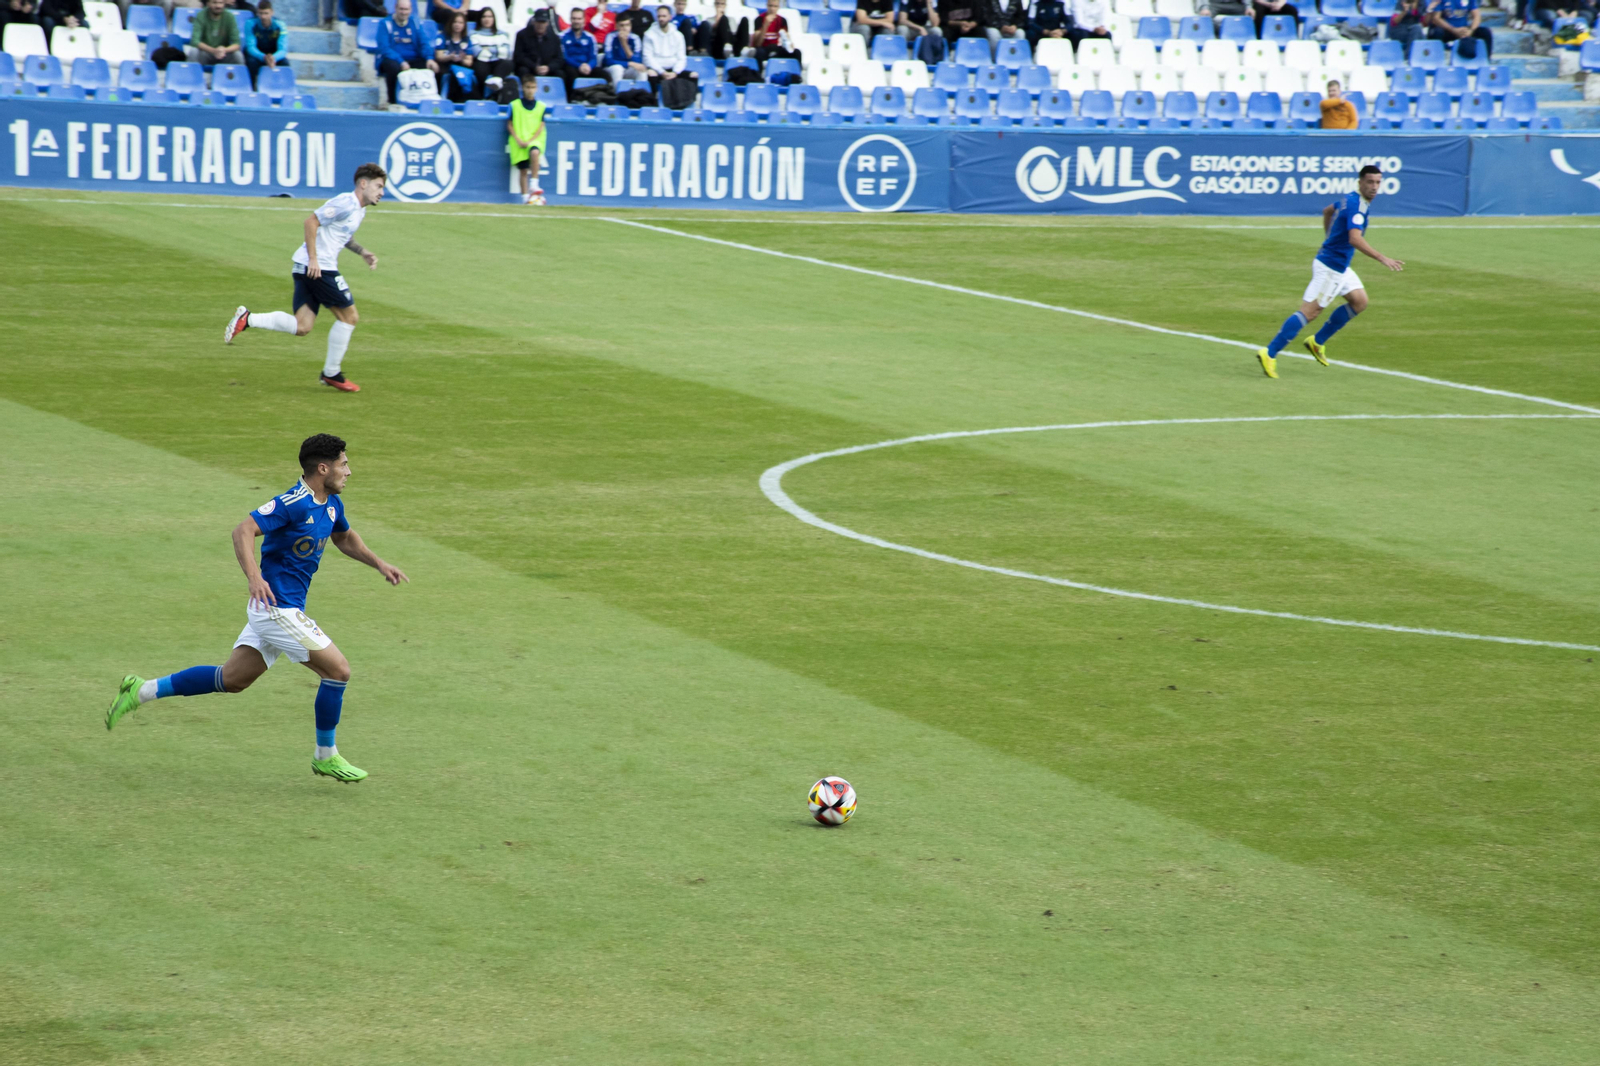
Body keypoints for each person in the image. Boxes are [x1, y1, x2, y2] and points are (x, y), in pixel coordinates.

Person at [104, 434, 408, 785]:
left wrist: (379, 563)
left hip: (278, 609)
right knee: (338, 671)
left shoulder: (330, 504)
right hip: (277, 608)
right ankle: (326, 755)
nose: (349, 472)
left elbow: (344, 538)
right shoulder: (292, 503)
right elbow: (243, 530)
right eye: (343, 464)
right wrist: (254, 577)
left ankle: (140, 690)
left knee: (232, 680)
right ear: (322, 468)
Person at [224, 163, 387, 393]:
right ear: (363, 183)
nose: (382, 192)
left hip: (305, 267)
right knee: (350, 317)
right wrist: (314, 259)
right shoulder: (345, 202)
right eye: (378, 186)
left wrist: (363, 252)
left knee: (302, 326)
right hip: (318, 269)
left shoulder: (359, 209)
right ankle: (332, 373)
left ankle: (247, 318)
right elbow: (311, 221)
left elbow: (343, 236)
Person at [1255, 165, 1403, 379]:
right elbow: (1355, 238)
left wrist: (1328, 239)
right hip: (1331, 268)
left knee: (1360, 301)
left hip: (1339, 266)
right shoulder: (1358, 207)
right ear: (1360, 182)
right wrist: (1382, 258)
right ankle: (1269, 353)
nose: (1374, 187)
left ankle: (1317, 342)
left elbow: (1328, 211)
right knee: (1310, 312)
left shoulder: (1349, 199)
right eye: (1370, 182)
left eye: (1378, 182)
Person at [376, 0, 440, 105]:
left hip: (413, 58)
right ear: (396, 8)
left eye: (406, 9)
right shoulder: (385, 24)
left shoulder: (415, 23)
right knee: (392, 67)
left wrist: (429, 58)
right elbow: (384, 48)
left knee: (434, 67)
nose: (403, 12)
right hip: (393, 59)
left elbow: (424, 42)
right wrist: (401, 61)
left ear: (410, 10)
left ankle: (432, 102)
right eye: (401, 9)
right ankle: (392, 102)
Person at [507, 75, 547, 203]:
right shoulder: (514, 105)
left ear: (536, 89)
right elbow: (509, 124)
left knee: (535, 152)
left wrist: (532, 139)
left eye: (533, 87)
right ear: (523, 88)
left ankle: (534, 183)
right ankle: (525, 198)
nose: (530, 90)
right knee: (523, 170)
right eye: (528, 87)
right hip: (519, 140)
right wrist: (517, 138)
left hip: (533, 139)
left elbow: (541, 125)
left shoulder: (541, 106)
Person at [470, 5, 515, 100]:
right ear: (480, 19)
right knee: (479, 68)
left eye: (490, 16)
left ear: (494, 19)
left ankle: (496, 82)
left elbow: (507, 52)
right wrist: (497, 49)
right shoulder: (473, 33)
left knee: (508, 64)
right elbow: (477, 52)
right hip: (482, 62)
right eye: (484, 16)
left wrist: (487, 49)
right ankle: (484, 96)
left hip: (498, 62)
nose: (487, 19)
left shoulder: (502, 34)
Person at [514, 8, 566, 87]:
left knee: (560, 73)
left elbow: (559, 59)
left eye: (543, 22)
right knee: (523, 70)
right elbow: (518, 56)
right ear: (533, 22)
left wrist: (548, 68)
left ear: (547, 23)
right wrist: (534, 66)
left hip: (547, 69)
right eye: (538, 22)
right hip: (530, 68)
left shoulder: (555, 38)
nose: (540, 25)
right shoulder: (522, 35)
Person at [242, 0, 287, 89]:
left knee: (285, 63)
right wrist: (263, 57)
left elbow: (283, 49)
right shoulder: (250, 24)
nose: (263, 17)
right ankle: (252, 87)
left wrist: (274, 58)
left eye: (266, 13)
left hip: (272, 54)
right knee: (251, 62)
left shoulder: (280, 25)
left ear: (272, 13)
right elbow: (251, 47)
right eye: (261, 13)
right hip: (257, 54)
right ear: (257, 13)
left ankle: (282, 87)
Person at [643, 4, 691, 88]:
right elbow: (647, 58)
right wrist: (662, 72)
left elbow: (682, 58)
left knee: (693, 75)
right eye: (659, 16)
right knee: (651, 74)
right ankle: (653, 100)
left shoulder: (678, 35)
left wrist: (675, 72)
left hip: (674, 69)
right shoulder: (649, 34)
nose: (661, 19)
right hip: (657, 69)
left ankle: (689, 101)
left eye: (664, 16)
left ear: (670, 17)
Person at [1426, 0, 1492, 59]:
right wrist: (1453, 30)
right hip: (1448, 30)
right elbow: (1436, 18)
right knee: (1437, 32)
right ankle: (1435, 59)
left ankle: (1486, 60)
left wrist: (1471, 30)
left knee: (1485, 32)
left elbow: (1477, 16)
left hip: (1464, 31)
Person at [435, 9, 478, 99]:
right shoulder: (442, 37)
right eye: (455, 22)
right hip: (446, 64)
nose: (457, 25)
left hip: (461, 65)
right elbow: (439, 56)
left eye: (460, 23)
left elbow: (469, 62)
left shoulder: (467, 40)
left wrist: (462, 59)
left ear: (464, 25)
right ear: (451, 23)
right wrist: (449, 57)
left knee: (465, 74)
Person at [188, 0, 243, 66]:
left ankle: (240, 76)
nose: (218, 6)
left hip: (224, 53)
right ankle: (190, 75)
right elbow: (195, 41)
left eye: (221, 3)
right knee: (193, 52)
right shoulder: (201, 15)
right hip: (206, 52)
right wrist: (213, 51)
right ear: (208, 3)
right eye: (214, 2)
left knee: (238, 55)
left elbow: (237, 44)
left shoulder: (230, 16)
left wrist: (224, 50)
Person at [560, 6, 603, 89]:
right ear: (570, 19)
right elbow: (564, 57)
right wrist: (579, 65)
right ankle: (572, 99)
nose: (576, 21)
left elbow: (593, 57)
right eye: (574, 18)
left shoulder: (590, 37)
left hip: (587, 67)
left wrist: (589, 66)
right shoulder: (562, 36)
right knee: (570, 73)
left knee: (604, 75)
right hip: (571, 66)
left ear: (584, 20)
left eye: (579, 19)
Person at [603, 13, 646, 82]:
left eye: (627, 25)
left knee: (641, 70)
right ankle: (617, 92)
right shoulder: (610, 37)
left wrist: (624, 44)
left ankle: (641, 92)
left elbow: (637, 61)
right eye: (622, 25)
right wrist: (629, 63)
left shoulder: (635, 38)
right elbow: (608, 61)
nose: (625, 28)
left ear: (631, 26)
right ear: (616, 26)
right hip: (612, 68)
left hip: (629, 69)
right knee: (618, 69)